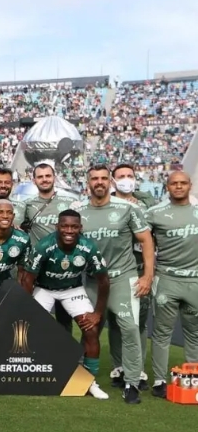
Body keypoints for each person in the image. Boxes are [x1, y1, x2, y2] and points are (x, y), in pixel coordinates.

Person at [72, 164, 154, 404]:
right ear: (88, 183)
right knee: (89, 330)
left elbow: (146, 240)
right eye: (94, 178)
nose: (99, 182)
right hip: (91, 280)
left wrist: (147, 276)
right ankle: (83, 378)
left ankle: (131, 382)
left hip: (122, 277)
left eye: (103, 178)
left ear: (111, 182)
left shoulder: (128, 208)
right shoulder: (78, 210)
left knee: (129, 328)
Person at [20, 209, 110, 400]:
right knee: (28, 329)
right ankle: (36, 373)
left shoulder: (88, 248)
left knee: (91, 330)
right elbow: (27, 280)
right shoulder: (44, 246)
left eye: (74, 227)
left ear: (80, 228)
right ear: (57, 227)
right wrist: (27, 310)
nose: (69, 230)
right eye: (65, 226)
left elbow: (104, 281)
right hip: (44, 289)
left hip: (72, 289)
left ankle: (89, 382)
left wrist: (98, 313)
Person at [145, 171, 198, 398]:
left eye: (182, 183)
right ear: (167, 187)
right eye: (174, 183)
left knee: (194, 333)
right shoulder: (154, 213)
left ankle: (193, 377)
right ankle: (159, 381)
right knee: (161, 333)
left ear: (190, 185)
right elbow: (140, 240)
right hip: (166, 279)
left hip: (194, 280)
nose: (178, 187)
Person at [107, 163, 156, 389]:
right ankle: (119, 366)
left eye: (130, 175)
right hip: (115, 270)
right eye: (121, 176)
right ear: (113, 181)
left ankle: (137, 368)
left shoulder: (147, 204)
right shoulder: (108, 204)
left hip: (139, 268)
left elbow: (151, 236)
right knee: (116, 321)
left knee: (138, 321)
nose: (126, 179)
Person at [17, 161, 80, 333]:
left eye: (48, 176)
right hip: (38, 270)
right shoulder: (27, 204)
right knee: (36, 317)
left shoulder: (71, 201)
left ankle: (66, 356)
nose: (44, 180)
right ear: (34, 180)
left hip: (65, 268)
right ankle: (41, 355)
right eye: (40, 177)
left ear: (54, 177)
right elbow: (14, 227)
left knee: (65, 319)